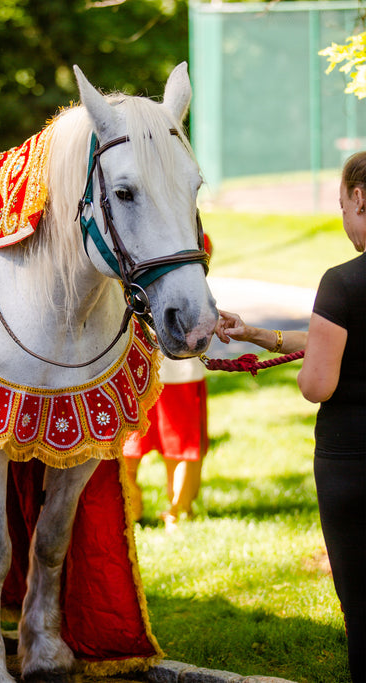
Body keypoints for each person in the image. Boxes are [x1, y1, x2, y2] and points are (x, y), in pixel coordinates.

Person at [216, 151, 366, 683]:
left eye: (342, 204)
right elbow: (335, 339)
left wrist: (308, 375)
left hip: (354, 463)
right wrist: (260, 336)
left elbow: (319, 381)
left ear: (359, 198)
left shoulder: (343, 282)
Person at [122, 355, 208, 528]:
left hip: (170, 370)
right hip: (137, 371)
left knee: (177, 447)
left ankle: (175, 512)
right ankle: (168, 512)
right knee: (128, 448)